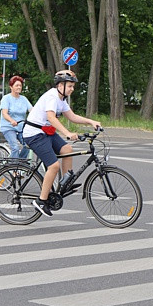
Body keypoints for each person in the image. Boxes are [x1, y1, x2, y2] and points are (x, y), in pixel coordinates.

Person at [22, 70, 101, 217]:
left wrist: (91, 122)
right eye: (70, 86)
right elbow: (51, 118)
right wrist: (67, 133)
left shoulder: (61, 99)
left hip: (46, 132)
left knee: (67, 149)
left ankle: (65, 182)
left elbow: (72, 116)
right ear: (60, 85)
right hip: (34, 134)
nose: (72, 89)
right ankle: (41, 201)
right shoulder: (52, 97)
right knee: (53, 166)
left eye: (73, 86)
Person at [0, 75, 33, 159]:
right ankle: (14, 166)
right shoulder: (6, 98)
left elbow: (32, 111)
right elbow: (4, 113)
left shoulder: (24, 99)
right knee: (15, 147)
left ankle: (19, 163)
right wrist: (11, 120)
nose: (19, 87)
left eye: (20, 85)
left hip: (21, 128)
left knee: (28, 145)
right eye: (17, 85)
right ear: (11, 87)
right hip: (9, 127)